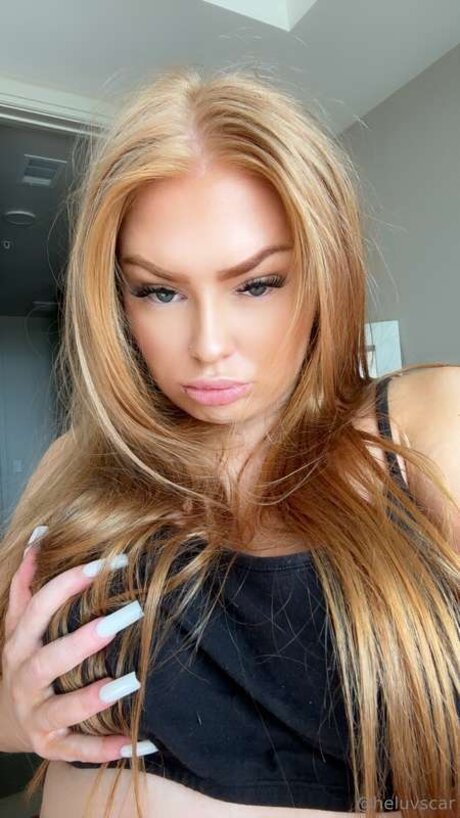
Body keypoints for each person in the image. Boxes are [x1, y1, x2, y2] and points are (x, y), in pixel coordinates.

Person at [0, 67, 458, 818]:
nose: (208, 346)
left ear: (323, 272)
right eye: (159, 291)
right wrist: (19, 720)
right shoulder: (75, 463)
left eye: (257, 284)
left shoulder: (426, 429)